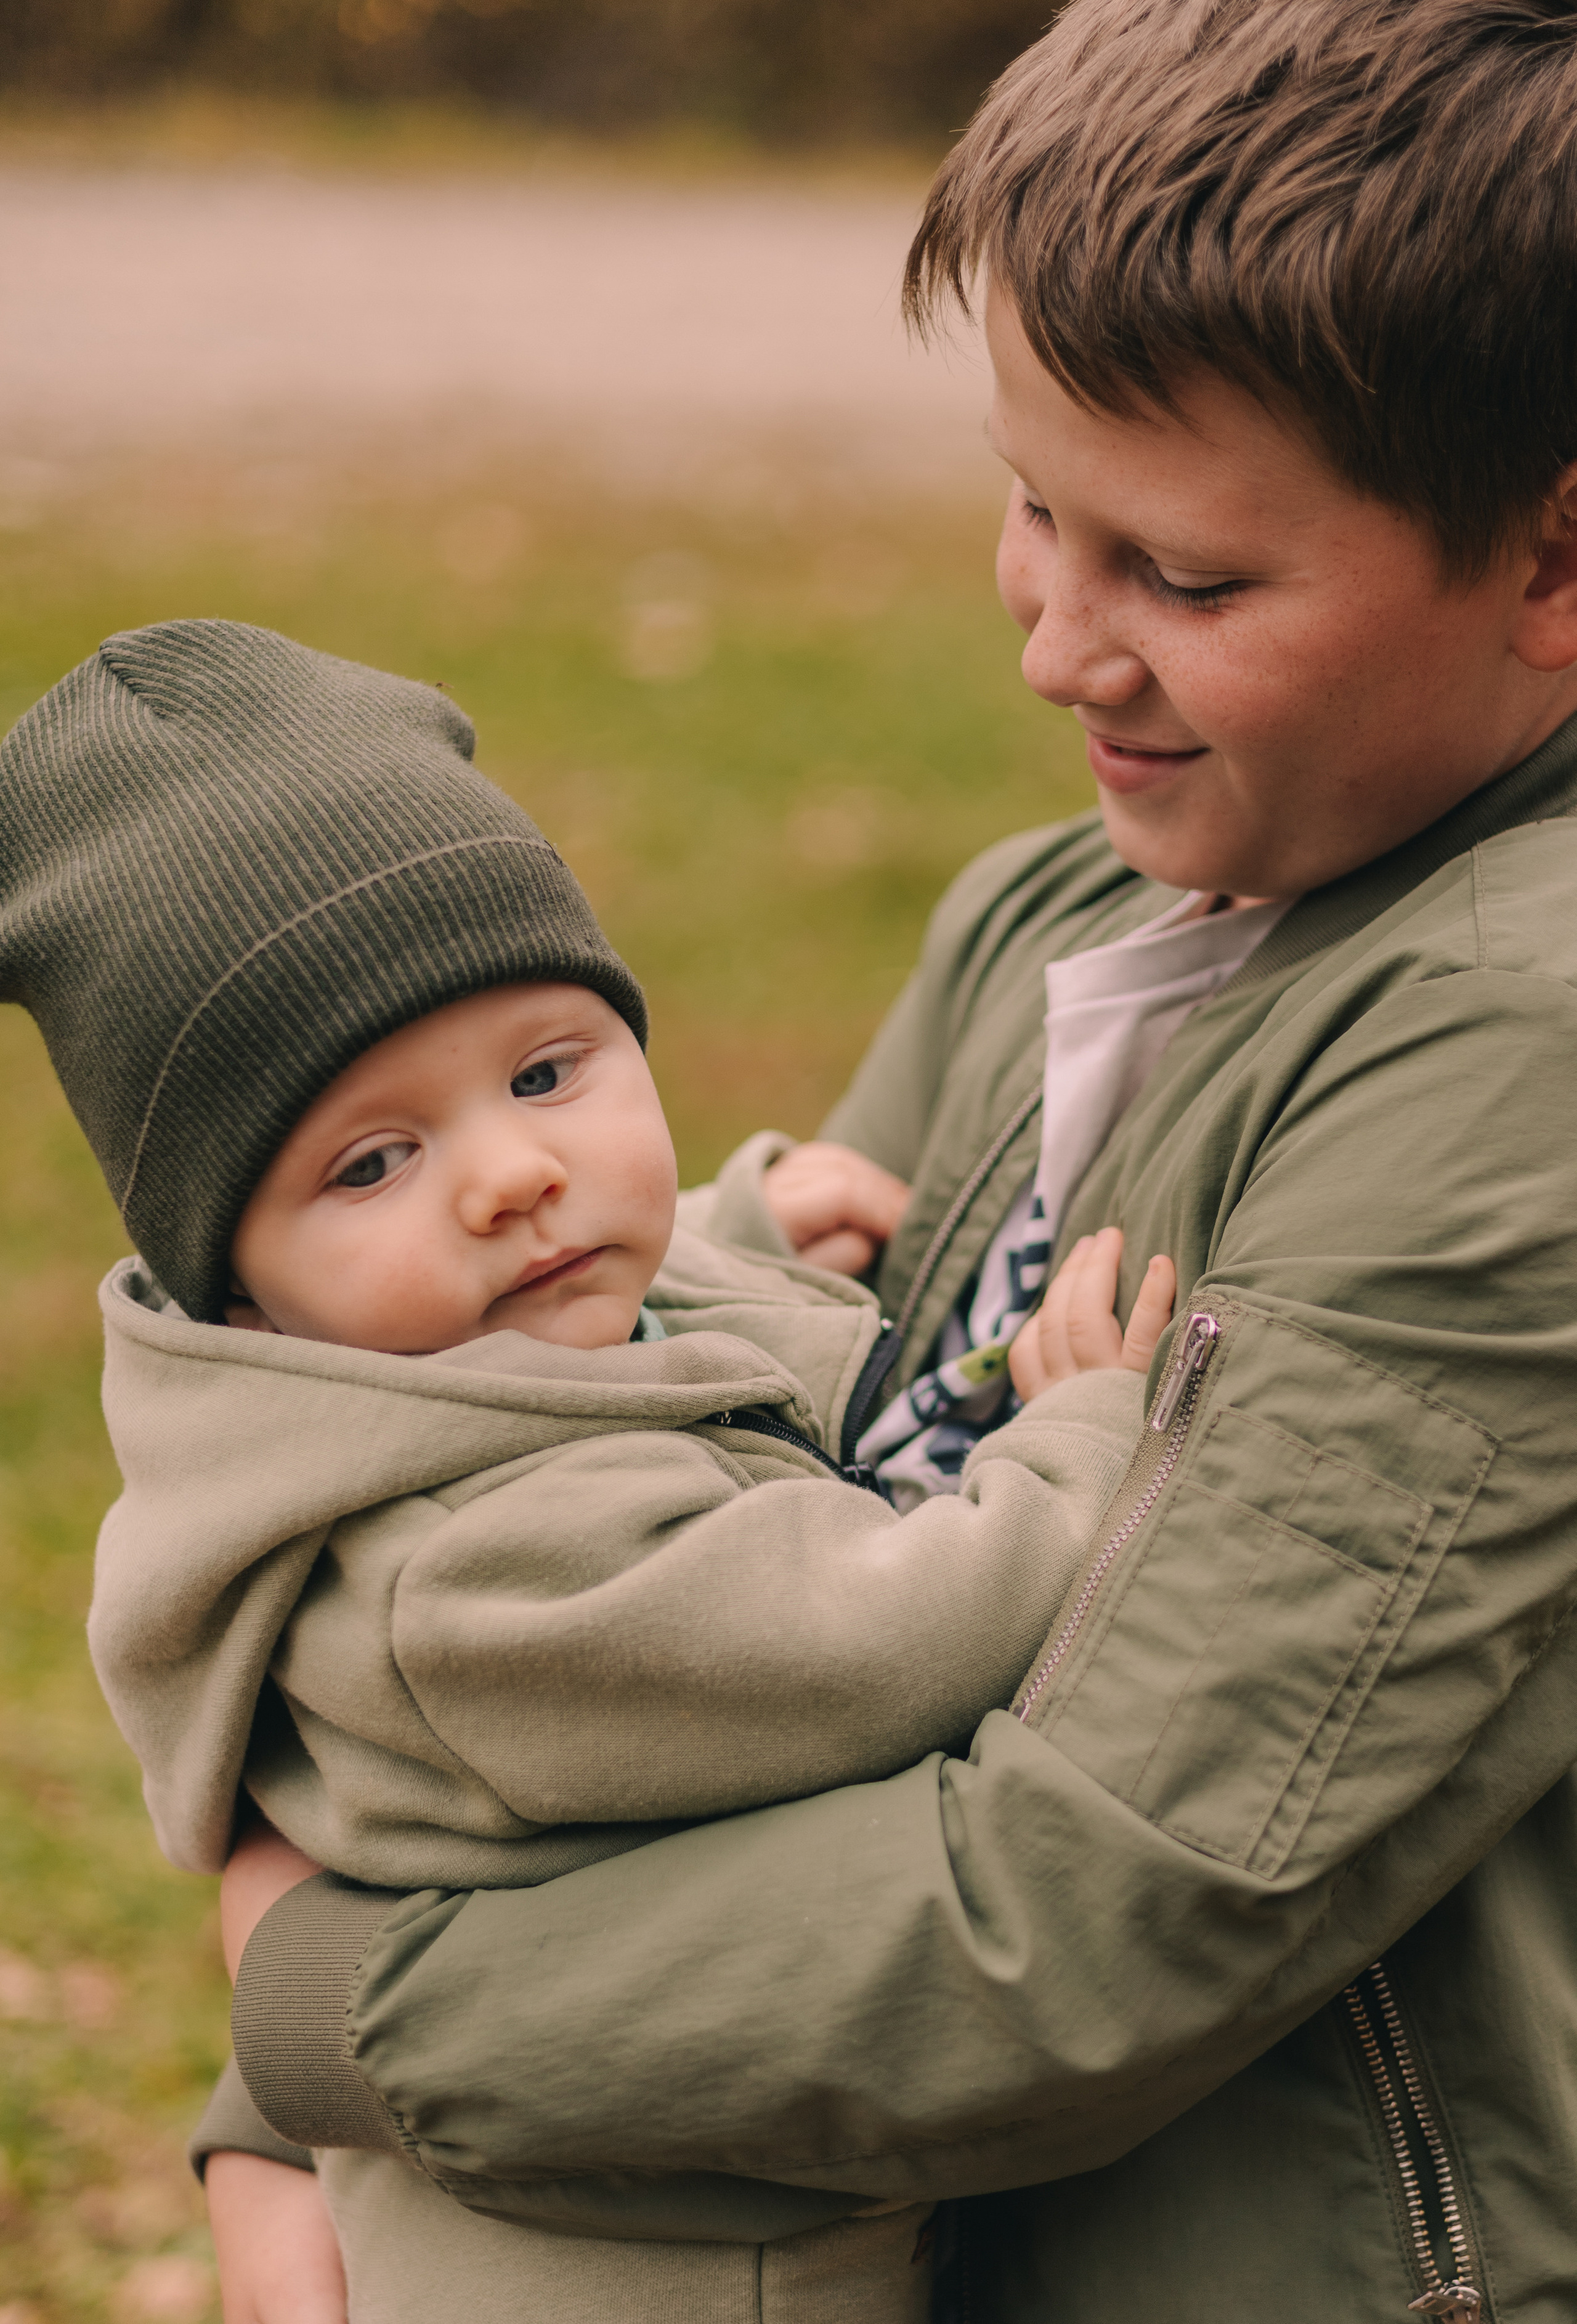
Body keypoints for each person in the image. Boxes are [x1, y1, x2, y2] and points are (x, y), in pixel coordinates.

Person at [209, 1, 1577, 2318]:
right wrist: (277, 2139)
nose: (1055, 639)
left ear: (1553, 563)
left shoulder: (1511, 1047)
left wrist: (337, 2013)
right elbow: (666, 1527)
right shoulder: (1050, 917)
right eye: (1036, 505)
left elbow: (1079, 1928)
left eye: (1189, 579)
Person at [0, 616, 1176, 2322]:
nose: (511, 1179)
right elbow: (859, 1641)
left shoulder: (436, 1383)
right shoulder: (461, 1580)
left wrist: (729, 1233)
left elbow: (573, 1362)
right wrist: (1075, 1448)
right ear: (242, 1291)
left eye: (551, 1072)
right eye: (372, 1161)